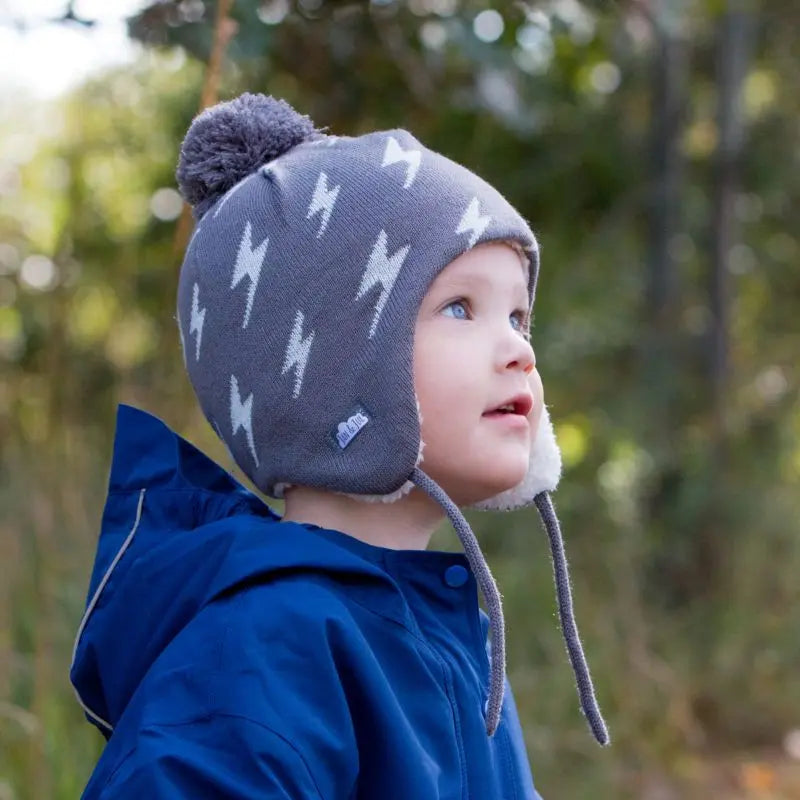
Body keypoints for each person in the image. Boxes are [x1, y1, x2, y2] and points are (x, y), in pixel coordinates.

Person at [70, 93, 609, 799]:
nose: (519, 350)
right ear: (329, 369)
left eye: (518, 316)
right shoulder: (262, 654)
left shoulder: (458, 640)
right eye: (460, 308)